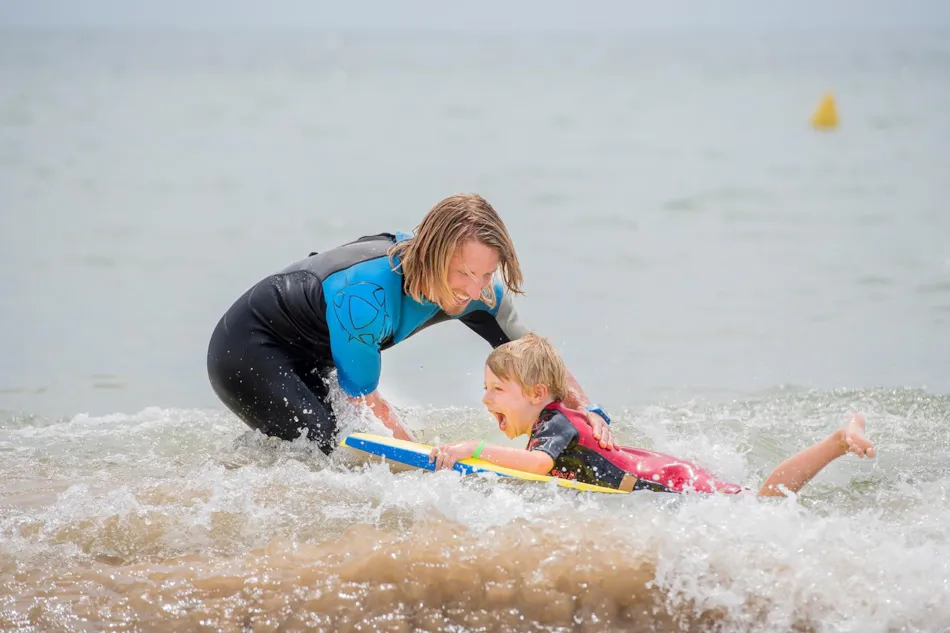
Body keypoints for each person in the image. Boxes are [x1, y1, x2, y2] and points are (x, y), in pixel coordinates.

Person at [207, 194, 615, 455]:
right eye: (463, 273)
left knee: (347, 445)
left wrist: (588, 412)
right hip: (250, 349)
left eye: (486, 275)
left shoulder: (479, 292)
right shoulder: (368, 298)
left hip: (323, 349)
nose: (474, 290)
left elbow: (535, 360)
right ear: (432, 256)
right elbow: (363, 395)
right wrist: (423, 461)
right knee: (328, 446)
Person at [429, 333, 876, 497]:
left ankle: (836, 442)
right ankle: (836, 441)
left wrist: (474, 450)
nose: (486, 400)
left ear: (537, 393)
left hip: (669, 480)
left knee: (766, 504)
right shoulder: (554, 417)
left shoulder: (555, 423)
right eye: (485, 389)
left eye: (496, 390)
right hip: (660, 474)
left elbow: (540, 465)